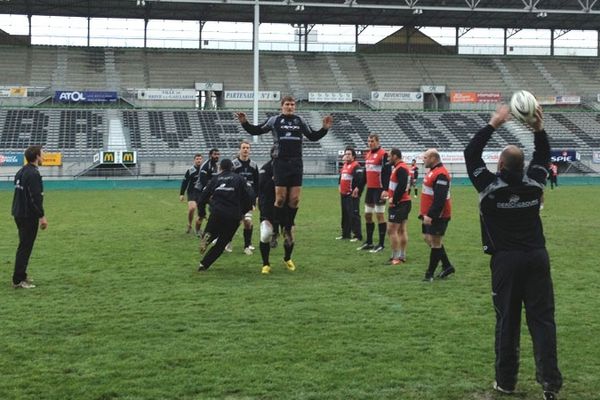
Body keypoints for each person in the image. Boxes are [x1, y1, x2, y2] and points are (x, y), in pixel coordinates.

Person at [464, 104, 562, 400]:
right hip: (536, 257)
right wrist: (538, 128)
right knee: (543, 321)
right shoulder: (535, 183)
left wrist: (494, 123)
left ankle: (506, 381)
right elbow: (543, 156)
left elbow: (471, 153)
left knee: (507, 321)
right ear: (523, 166)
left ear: (500, 166)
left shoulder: (489, 186)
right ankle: (550, 384)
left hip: (506, 261)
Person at [236, 95, 333, 271]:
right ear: (282, 106)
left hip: (296, 162)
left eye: (292, 104)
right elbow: (257, 130)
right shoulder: (275, 120)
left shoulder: (300, 120)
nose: (290, 107)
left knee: (294, 200)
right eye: (287, 104)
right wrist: (245, 123)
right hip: (280, 162)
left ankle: (287, 226)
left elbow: (312, 136)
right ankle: (276, 229)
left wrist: (325, 128)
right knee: (280, 199)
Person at [196, 158, 255, 271]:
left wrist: (202, 213)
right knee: (222, 243)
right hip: (233, 215)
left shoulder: (215, 179)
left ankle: (207, 238)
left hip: (217, 212)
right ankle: (204, 264)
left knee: (211, 231)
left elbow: (203, 198)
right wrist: (243, 211)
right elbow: (250, 196)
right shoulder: (240, 179)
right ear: (232, 168)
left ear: (220, 168)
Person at [11, 145, 48, 289]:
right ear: (37, 156)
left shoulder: (21, 171)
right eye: (42, 154)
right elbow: (34, 198)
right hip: (27, 215)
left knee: (24, 245)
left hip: (18, 213)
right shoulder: (33, 174)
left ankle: (22, 275)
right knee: (25, 247)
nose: (44, 156)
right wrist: (42, 216)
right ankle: (18, 280)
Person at [419, 148, 455, 282]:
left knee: (435, 242)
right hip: (428, 213)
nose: (423, 160)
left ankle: (429, 274)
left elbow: (440, 198)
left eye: (426, 157)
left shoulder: (441, 174)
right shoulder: (433, 172)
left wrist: (431, 215)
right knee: (428, 239)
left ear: (433, 158)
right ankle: (447, 266)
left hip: (438, 215)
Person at [256, 146, 293, 274]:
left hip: (285, 208)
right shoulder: (265, 169)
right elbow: (262, 188)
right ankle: (266, 264)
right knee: (266, 234)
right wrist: (275, 181)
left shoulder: (289, 168)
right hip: (268, 206)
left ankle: (287, 258)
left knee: (289, 235)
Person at [357, 134, 389, 253]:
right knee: (367, 214)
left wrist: (386, 189)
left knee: (379, 215)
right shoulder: (368, 154)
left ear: (378, 141)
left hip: (379, 189)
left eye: (372, 141)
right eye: (369, 141)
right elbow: (366, 173)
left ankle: (381, 244)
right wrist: (359, 188)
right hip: (370, 189)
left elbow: (387, 172)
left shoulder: (383, 154)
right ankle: (369, 242)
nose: (370, 143)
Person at [382, 148, 412, 265]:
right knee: (401, 229)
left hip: (399, 204)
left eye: (389, 156)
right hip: (404, 202)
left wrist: (394, 199)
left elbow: (402, 185)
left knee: (391, 230)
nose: (388, 159)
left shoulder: (401, 168)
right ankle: (402, 255)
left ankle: (396, 257)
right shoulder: (401, 167)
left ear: (395, 156)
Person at [232, 140, 259, 255]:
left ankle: (247, 246)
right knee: (234, 222)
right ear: (240, 149)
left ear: (250, 150)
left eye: (247, 148)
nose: (245, 150)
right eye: (243, 147)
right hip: (235, 198)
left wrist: (256, 198)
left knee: (247, 222)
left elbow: (257, 183)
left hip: (248, 198)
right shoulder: (234, 164)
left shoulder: (253, 165)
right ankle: (227, 241)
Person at [337, 147, 364, 242]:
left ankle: (357, 235)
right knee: (345, 214)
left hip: (351, 194)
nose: (347, 155)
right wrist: (339, 185)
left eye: (349, 154)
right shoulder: (345, 165)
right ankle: (345, 234)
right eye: (346, 154)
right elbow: (341, 178)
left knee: (354, 214)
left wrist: (356, 190)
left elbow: (360, 179)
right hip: (343, 194)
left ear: (353, 156)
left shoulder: (356, 166)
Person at [194, 148, 220, 240]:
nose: (217, 156)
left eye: (218, 154)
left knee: (215, 210)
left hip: (209, 192)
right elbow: (203, 180)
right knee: (201, 214)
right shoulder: (206, 165)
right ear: (210, 155)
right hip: (201, 192)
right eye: (215, 154)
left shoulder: (216, 166)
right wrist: (210, 191)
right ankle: (197, 230)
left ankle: (213, 230)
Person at [179, 153, 203, 234]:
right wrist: (181, 194)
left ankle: (197, 229)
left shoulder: (204, 170)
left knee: (201, 212)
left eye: (200, 159)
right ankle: (189, 224)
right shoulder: (190, 170)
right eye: (197, 159)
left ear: (202, 160)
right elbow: (185, 182)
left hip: (201, 192)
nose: (199, 160)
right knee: (192, 208)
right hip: (192, 192)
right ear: (194, 160)